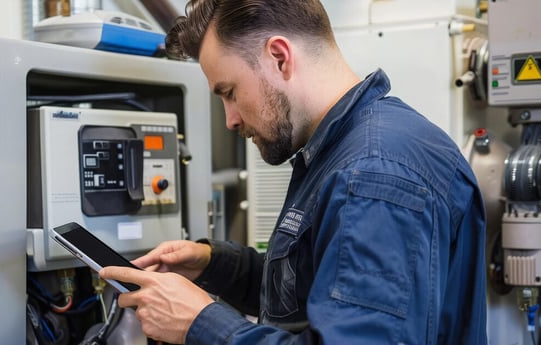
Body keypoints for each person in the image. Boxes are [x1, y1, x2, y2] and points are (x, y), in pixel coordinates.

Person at [100, 0, 487, 343]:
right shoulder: (342, 151)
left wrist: (201, 324)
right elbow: (314, 294)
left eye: (229, 92)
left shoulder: (372, 174)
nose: (230, 120)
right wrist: (213, 263)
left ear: (279, 57)